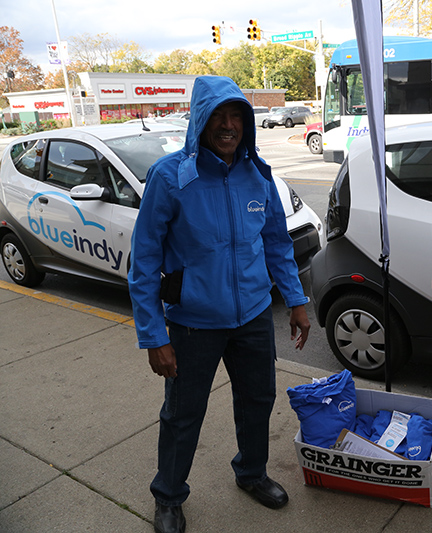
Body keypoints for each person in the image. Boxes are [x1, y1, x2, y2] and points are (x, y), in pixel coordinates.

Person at [128, 75, 311, 533]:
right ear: (200, 121)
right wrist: (154, 336)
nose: (228, 126)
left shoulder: (258, 174)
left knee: (258, 401)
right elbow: (145, 259)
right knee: (182, 414)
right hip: (192, 324)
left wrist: (296, 300)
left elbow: (276, 243)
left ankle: (251, 473)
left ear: (247, 123)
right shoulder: (171, 177)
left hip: (251, 317)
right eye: (218, 116)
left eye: (237, 117)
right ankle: (168, 496)